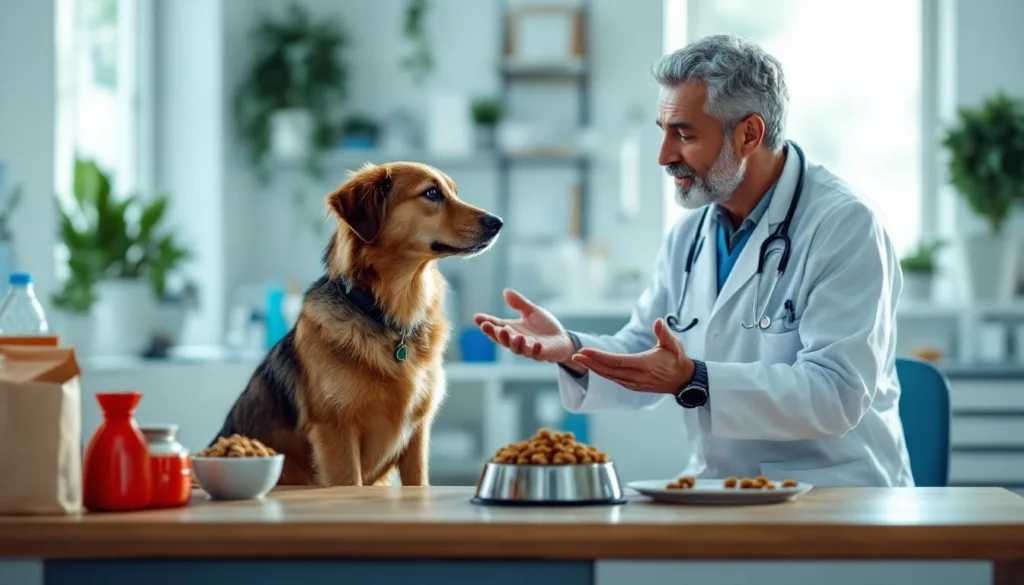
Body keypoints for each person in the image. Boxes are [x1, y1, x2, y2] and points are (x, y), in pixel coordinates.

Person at [473, 34, 914, 487]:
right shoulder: (692, 233)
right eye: (662, 131)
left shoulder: (843, 226)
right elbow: (647, 347)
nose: (664, 156)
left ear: (749, 134)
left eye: (683, 134)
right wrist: (571, 349)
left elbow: (836, 394)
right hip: (718, 489)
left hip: (835, 498)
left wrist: (694, 378)